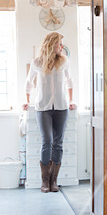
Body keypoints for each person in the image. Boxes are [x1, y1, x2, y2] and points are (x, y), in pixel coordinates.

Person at [23, 32, 76, 193]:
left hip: (61, 106)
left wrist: (71, 100)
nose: (61, 47)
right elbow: (29, 82)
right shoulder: (37, 62)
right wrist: (26, 100)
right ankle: (44, 181)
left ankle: (54, 180)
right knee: (47, 141)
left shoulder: (64, 61)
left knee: (58, 143)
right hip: (43, 107)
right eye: (59, 44)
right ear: (51, 44)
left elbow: (69, 81)